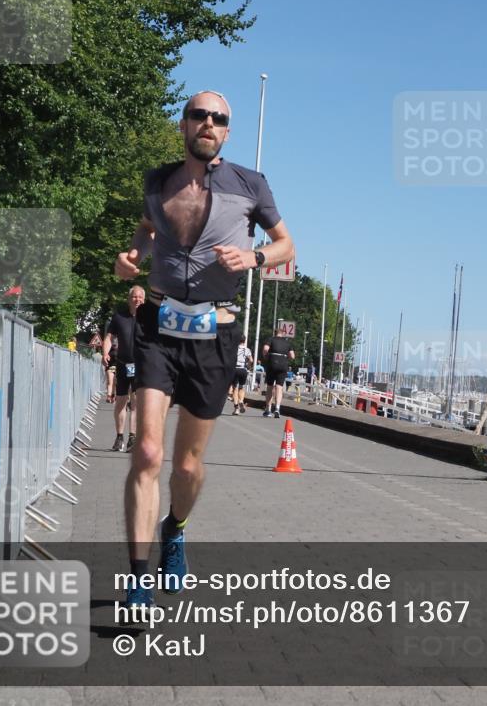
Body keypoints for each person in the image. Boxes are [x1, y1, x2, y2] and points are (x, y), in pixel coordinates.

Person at [114, 90, 294, 610]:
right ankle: (138, 580)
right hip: (158, 323)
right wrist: (132, 256)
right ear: (184, 125)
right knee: (148, 452)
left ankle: (176, 527)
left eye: (219, 118)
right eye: (200, 115)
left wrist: (255, 256)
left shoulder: (250, 185)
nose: (209, 123)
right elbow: (146, 232)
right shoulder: (158, 181)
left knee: (187, 466)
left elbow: (287, 244)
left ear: (227, 132)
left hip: (216, 332)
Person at [103, 286, 146, 451]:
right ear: (129, 299)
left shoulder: (149, 318)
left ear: (144, 299)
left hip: (141, 366)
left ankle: (132, 438)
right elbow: (109, 337)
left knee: (135, 403)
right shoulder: (119, 317)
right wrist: (105, 353)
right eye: (134, 297)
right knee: (121, 401)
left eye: (140, 297)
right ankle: (119, 437)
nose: (137, 300)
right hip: (122, 364)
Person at [262, 326, 296, 418]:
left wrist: (266, 356)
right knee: (279, 387)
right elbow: (292, 356)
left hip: (272, 363)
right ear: (283, 334)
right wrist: (285, 358)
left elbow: (265, 349)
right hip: (283, 364)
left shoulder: (271, 339)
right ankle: (277, 408)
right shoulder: (287, 342)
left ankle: (268, 409)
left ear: (275, 333)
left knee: (269, 386)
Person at [229, 337, 253, 415]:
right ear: (244, 341)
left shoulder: (233, 349)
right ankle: (241, 401)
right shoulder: (247, 350)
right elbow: (251, 360)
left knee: (235, 388)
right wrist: (248, 366)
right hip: (243, 370)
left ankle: (236, 409)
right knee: (241, 387)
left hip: (235, 369)